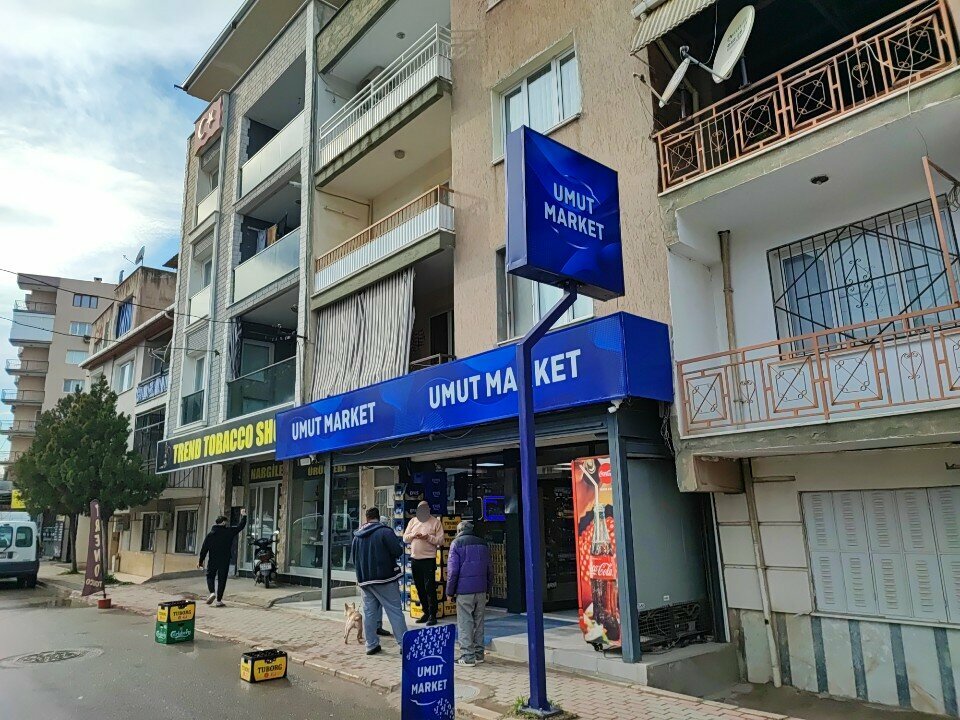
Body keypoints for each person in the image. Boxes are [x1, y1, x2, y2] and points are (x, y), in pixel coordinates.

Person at [352, 507, 408, 655]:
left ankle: (371, 645)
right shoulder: (385, 532)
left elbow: (354, 559)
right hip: (385, 579)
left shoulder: (357, 536)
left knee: (369, 613)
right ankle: (404, 644)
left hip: (365, 581)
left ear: (366, 518)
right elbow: (397, 551)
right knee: (394, 611)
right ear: (378, 517)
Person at [446, 520, 493, 667]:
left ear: (459, 530)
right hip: (481, 589)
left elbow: (452, 572)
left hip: (464, 590)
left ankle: (467, 656)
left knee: (465, 622)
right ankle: (479, 654)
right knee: (479, 622)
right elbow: (490, 569)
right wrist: (488, 588)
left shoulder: (456, 544)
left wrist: (449, 592)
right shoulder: (483, 544)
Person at [403, 501, 444, 626]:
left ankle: (433, 614)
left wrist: (428, 537)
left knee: (429, 587)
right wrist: (413, 535)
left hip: (428, 559)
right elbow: (405, 537)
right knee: (419, 587)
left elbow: (441, 541)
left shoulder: (435, 522)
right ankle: (425, 612)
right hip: (415, 559)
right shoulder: (413, 521)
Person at [198, 508, 247, 607]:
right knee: (222, 579)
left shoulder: (211, 534)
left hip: (213, 559)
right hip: (225, 560)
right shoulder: (228, 531)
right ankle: (219, 600)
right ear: (223, 522)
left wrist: (200, 561)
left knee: (210, 576)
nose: (226, 524)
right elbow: (240, 527)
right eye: (226, 522)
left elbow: (204, 549)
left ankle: (212, 592)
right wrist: (244, 515)